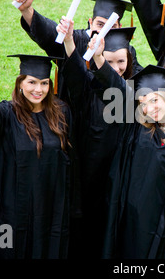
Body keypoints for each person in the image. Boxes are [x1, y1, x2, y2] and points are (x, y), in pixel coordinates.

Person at [75, 30, 165, 258]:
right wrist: (98, 58)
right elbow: (115, 85)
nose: (148, 108)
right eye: (143, 103)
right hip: (133, 214)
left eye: (154, 100)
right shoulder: (137, 127)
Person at [0, 54, 72, 259]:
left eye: (44, 83)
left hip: (51, 202)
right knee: (8, 245)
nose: (38, 89)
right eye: (32, 82)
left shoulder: (61, 112)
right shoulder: (6, 113)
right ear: (20, 83)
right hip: (12, 207)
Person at [56, 19, 138, 258]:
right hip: (87, 174)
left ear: (129, 61)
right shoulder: (87, 91)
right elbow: (74, 71)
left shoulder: (132, 92)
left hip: (119, 175)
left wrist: (100, 60)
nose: (116, 67)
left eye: (121, 61)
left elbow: (120, 90)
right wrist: (70, 40)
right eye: (109, 61)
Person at [13, 0, 142, 102]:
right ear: (90, 22)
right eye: (100, 24)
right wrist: (27, 11)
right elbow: (48, 33)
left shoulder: (124, 49)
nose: (104, 31)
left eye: (111, 26)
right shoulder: (74, 39)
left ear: (120, 26)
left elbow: (137, 77)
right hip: (74, 111)